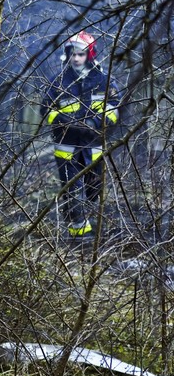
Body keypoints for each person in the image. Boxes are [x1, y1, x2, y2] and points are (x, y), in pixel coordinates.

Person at [43, 31, 121, 238]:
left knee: (93, 190)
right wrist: (62, 121)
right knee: (71, 190)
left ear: (90, 54)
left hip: (94, 145)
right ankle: (80, 237)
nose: (76, 58)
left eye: (80, 54)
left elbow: (114, 107)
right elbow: (46, 110)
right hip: (66, 146)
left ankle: (96, 231)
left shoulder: (104, 80)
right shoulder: (58, 81)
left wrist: (95, 123)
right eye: (73, 54)